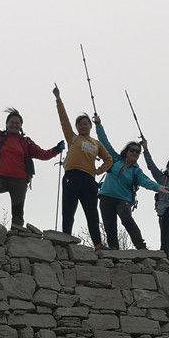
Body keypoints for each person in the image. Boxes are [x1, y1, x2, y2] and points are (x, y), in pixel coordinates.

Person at [0, 94, 64, 230]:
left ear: (21, 126)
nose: (14, 124)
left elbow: (42, 154)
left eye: (17, 123)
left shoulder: (26, 142)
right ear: (6, 124)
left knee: (18, 213)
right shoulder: (0, 137)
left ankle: (16, 234)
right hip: (1, 179)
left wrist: (56, 149)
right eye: (12, 122)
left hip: (19, 182)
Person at [93, 114, 168, 250]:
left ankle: (141, 246)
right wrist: (98, 125)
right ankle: (114, 249)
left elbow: (145, 181)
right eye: (132, 150)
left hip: (123, 199)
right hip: (106, 196)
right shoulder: (115, 159)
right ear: (126, 152)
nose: (135, 153)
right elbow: (104, 142)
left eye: (137, 152)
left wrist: (158, 187)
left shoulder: (136, 171)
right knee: (109, 224)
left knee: (127, 219)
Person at [53, 85, 113, 250]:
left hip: (89, 179)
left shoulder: (96, 143)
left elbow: (109, 160)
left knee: (92, 213)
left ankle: (98, 244)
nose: (83, 126)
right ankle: (66, 240)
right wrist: (58, 99)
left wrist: (98, 171)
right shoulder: (72, 137)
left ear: (90, 126)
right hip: (72, 176)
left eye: (85, 124)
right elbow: (64, 120)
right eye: (79, 124)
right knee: (68, 210)